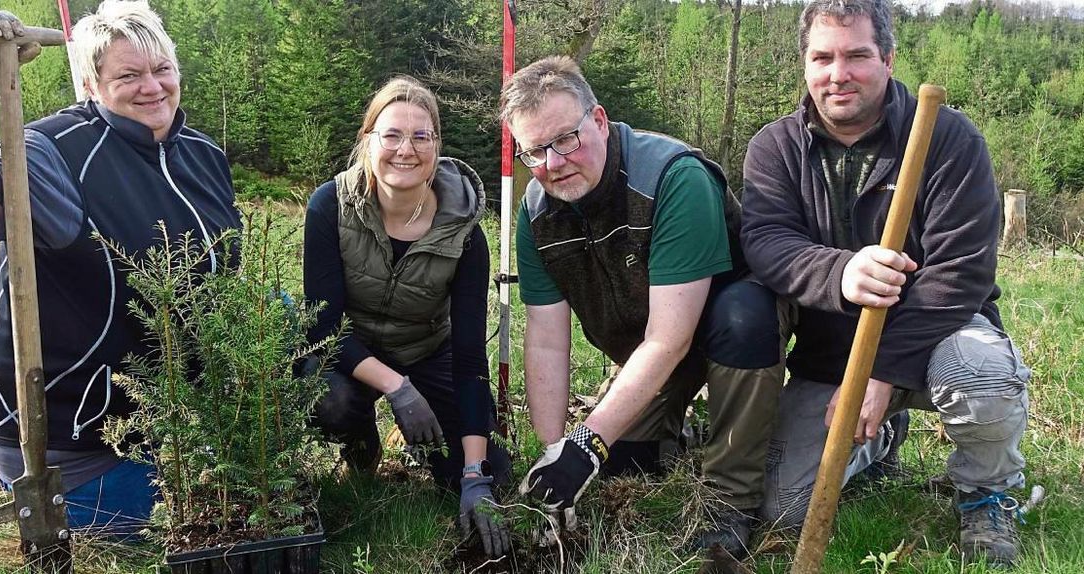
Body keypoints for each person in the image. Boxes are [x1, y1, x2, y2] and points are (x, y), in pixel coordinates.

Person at [0, 2, 241, 536]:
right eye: (128, 75)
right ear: (90, 83)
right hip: (64, 428)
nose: (152, 87)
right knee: (202, 524)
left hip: (151, 414)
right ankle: (32, 488)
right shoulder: (57, 152)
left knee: (248, 487)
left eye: (162, 70)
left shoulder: (201, 153)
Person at [741, 0, 1030, 567]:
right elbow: (767, 243)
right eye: (822, 57)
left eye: (857, 56)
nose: (838, 73)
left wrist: (884, 369)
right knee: (785, 507)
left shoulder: (947, 139)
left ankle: (986, 494)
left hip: (939, 337)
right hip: (830, 358)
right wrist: (841, 271)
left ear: (888, 59)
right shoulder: (774, 148)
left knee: (980, 372)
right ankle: (882, 440)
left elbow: (962, 271)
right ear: (804, 64)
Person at [501, 56, 782, 558]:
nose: (553, 163)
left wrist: (586, 442)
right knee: (622, 464)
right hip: (647, 345)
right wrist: (556, 453)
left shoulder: (674, 178)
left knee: (743, 318)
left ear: (601, 120)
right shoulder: (537, 213)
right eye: (534, 152)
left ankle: (730, 498)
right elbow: (545, 340)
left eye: (566, 139)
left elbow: (670, 338)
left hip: (726, 332)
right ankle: (681, 433)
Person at [303, 76, 512, 558]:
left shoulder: (465, 234)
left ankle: (453, 460)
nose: (406, 149)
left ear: (437, 145)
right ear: (368, 139)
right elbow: (324, 325)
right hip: (348, 351)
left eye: (422, 136)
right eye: (392, 134)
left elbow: (469, 358)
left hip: (426, 349)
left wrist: (475, 474)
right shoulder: (329, 206)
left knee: (488, 471)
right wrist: (398, 388)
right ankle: (363, 450)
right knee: (330, 402)